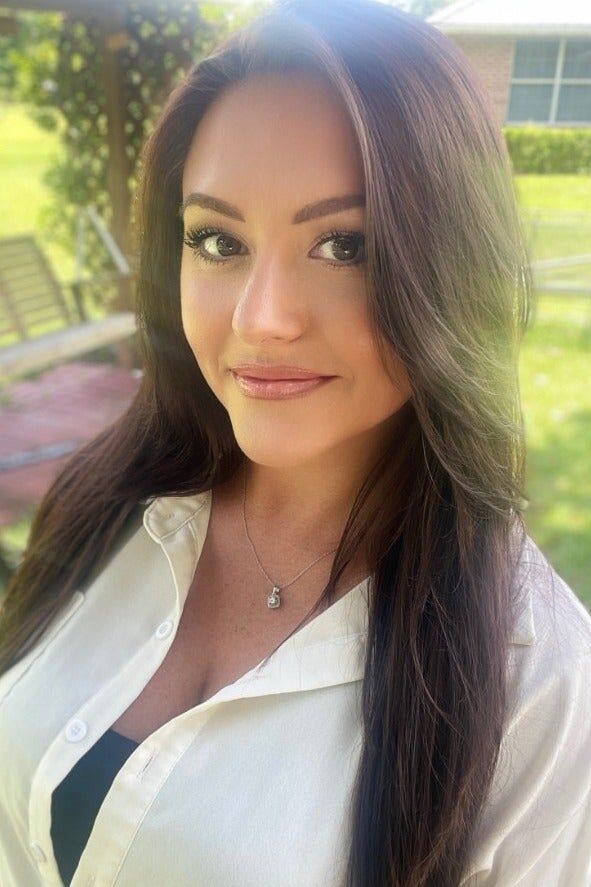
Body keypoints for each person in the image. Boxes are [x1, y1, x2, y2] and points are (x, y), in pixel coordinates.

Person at [1, 1, 590, 885]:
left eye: (343, 245)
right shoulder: (108, 499)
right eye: (217, 240)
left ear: (452, 264)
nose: (261, 318)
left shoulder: (537, 683)